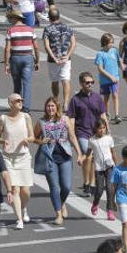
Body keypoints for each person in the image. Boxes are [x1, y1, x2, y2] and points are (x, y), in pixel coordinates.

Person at [0, 93, 34, 229]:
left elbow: (32, 136)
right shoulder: (3, 118)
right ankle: (19, 220)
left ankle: (23, 208)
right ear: (10, 103)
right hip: (8, 158)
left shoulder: (26, 117)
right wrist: (3, 140)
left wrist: (27, 140)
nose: (20, 102)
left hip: (23, 157)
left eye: (21, 100)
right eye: (17, 101)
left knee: (26, 191)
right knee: (14, 189)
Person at [68, 72, 110, 198]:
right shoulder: (75, 100)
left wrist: (108, 129)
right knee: (89, 156)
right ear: (81, 83)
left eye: (92, 82)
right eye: (87, 82)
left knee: (92, 159)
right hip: (82, 132)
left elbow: (103, 114)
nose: (90, 84)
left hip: (96, 132)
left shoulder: (97, 97)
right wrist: (71, 133)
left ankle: (90, 183)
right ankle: (87, 182)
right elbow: (71, 119)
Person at [34, 96, 74, 224]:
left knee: (66, 187)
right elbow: (34, 138)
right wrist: (41, 141)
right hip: (49, 158)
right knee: (54, 187)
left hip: (65, 156)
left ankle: (62, 203)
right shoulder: (41, 122)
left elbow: (72, 137)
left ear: (57, 107)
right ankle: (58, 214)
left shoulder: (65, 119)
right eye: (48, 106)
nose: (50, 108)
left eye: (52, 106)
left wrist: (80, 154)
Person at [5, 10, 39, 113]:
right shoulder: (30, 30)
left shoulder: (11, 30)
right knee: (27, 83)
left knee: (17, 83)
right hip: (28, 57)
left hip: (15, 58)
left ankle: (17, 105)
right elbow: (36, 47)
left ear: (15, 18)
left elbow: (7, 49)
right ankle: (26, 107)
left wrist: (6, 63)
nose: (10, 20)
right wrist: (37, 61)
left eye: (11, 18)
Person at [42, 7, 76, 109]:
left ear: (50, 18)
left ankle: (56, 100)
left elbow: (46, 45)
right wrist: (68, 56)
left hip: (53, 60)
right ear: (59, 16)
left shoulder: (47, 29)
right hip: (66, 59)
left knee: (55, 81)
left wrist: (54, 57)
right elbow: (73, 43)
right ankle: (66, 103)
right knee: (66, 80)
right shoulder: (68, 28)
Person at [90, 119, 118, 221]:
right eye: (99, 128)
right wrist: (83, 157)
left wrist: (117, 165)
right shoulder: (92, 140)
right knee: (99, 190)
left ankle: (109, 211)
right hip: (99, 168)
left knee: (110, 189)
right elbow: (88, 152)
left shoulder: (109, 139)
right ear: (96, 129)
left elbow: (113, 152)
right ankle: (95, 203)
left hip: (110, 166)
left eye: (103, 128)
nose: (102, 130)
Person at [96, 32, 124, 124]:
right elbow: (100, 69)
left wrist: (122, 66)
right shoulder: (100, 54)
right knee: (106, 98)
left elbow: (118, 60)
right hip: (105, 80)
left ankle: (117, 115)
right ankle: (106, 114)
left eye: (112, 42)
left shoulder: (114, 51)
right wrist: (110, 77)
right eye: (110, 43)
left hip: (115, 78)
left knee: (115, 95)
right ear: (104, 43)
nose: (112, 45)